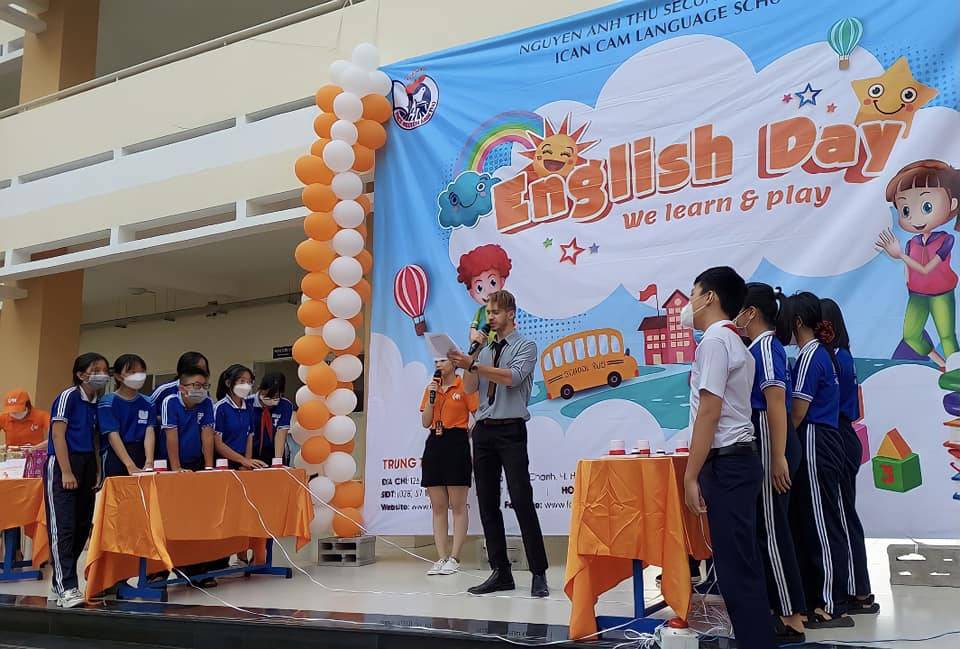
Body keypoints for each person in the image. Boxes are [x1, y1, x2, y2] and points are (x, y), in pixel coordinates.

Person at [681, 267, 776, 649]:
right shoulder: (733, 341)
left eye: (693, 293)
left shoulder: (716, 342)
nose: (688, 302)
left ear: (710, 297)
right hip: (737, 462)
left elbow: (709, 411)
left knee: (737, 571)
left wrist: (691, 475)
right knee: (742, 565)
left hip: (728, 464)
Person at [447, 289, 549, 597]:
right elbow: (469, 387)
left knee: (521, 499)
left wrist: (473, 364)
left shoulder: (526, 345)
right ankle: (501, 572)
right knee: (488, 503)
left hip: (511, 430)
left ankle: (538, 572)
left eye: (495, 312)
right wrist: (472, 358)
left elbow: (512, 378)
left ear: (510, 314)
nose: (490, 317)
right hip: (484, 430)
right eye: (487, 313)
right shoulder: (485, 349)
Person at [736, 284, 806, 641]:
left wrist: (777, 456)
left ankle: (791, 616)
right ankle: (781, 607)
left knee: (772, 527)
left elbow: (776, 403)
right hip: (766, 438)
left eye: (738, 308)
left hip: (768, 436)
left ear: (751, 312)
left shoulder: (764, 347)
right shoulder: (759, 347)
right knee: (770, 525)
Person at [779, 292, 853, 628]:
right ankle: (823, 598)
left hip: (814, 439)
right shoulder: (820, 353)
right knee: (820, 521)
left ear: (797, 322)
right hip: (824, 439)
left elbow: (798, 412)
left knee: (822, 525)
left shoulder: (811, 356)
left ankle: (831, 604)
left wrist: (779, 446)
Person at [820, 298, 879, 616]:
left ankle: (859, 591)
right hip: (845, 435)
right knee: (843, 515)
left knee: (843, 516)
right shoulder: (842, 354)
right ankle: (855, 588)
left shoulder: (834, 358)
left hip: (839, 434)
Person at [875, 160, 960, 368]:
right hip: (917, 295)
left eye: (926, 206)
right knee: (911, 335)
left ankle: (955, 371)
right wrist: (905, 271)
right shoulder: (911, 243)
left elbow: (926, 269)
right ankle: (942, 364)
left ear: (952, 204)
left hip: (941, 294)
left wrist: (899, 255)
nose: (914, 217)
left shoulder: (946, 239)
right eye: (905, 210)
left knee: (947, 336)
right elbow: (909, 273)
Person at [44, 352, 110, 609]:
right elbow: (57, 435)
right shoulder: (68, 397)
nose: (102, 375)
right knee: (64, 526)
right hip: (63, 462)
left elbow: (96, 439)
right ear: (81, 374)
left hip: (87, 463)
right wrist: (66, 471)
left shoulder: (97, 402)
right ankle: (67, 586)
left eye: (105, 370)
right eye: (96, 370)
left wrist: (97, 470)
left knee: (83, 524)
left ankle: (60, 581)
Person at [419, 358, 478, 576]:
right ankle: (441, 557)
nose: (438, 364)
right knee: (438, 506)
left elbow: (478, 414)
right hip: (434, 442)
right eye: (435, 361)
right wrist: (431, 400)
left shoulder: (464, 386)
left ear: (454, 364)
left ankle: (455, 557)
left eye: (443, 360)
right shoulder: (431, 388)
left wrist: (467, 434)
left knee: (458, 505)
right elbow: (425, 422)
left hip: (456, 442)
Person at [1, 390, 50, 569]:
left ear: (27, 406)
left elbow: (56, 435)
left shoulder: (41, 416)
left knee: (33, 508)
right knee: (9, 509)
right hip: (11, 469)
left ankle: (40, 553)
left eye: (18, 409)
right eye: (11, 410)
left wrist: (36, 447)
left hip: (34, 468)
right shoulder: (5, 418)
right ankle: (13, 552)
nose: (14, 413)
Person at [99, 354, 156, 478]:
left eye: (142, 372)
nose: (138, 376)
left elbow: (149, 430)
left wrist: (149, 462)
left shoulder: (148, 402)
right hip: (116, 453)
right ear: (118, 376)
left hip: (140, 452)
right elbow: (112, 435)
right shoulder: (108, 401)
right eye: (132, 372)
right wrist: (129, 465)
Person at [159, 365, 215, 472]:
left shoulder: (207, 402)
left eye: (205, 386)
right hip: (171, 462)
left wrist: (209, 467)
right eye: (197, 385)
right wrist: (176, 468)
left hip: (196, 460)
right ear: (182, 389)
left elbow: (207, 435)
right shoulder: (170, 402)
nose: (202, 390)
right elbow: (171, 437)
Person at [213, 364, 267, 470]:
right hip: (222, 462)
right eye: (242, 381)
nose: (246, 386)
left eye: (249, 382)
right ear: (229, 383)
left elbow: (249, 437)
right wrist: (243, 460)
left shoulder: (249, 408)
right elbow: (218, 443)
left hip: (242, 461)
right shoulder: (220, 408)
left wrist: (247, 463)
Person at [150, 351, 210, 427]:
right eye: (196, 370)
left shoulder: (205, 394)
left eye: (204, 370)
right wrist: (164, 419)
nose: (201, 374)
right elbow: (145, 411)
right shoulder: (164, 390)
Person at [248, 372, 294, 466]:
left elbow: (281, 433)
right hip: (250, 450)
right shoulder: (247, 402)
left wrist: (277, 462)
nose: (270, 399)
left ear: (281, 394)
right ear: (259, 388)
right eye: (266, 395)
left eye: (275, 396)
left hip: (274, 451)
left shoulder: (285, 405)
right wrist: (246, 460)